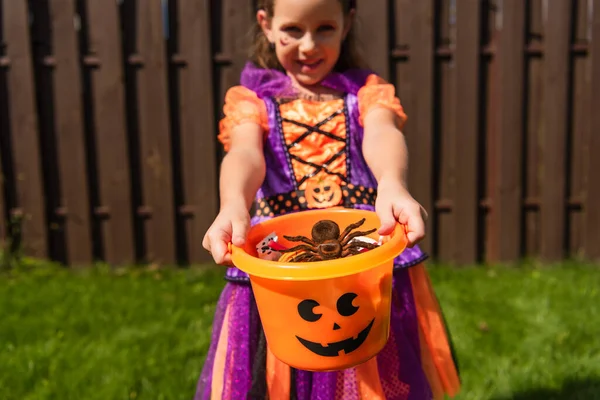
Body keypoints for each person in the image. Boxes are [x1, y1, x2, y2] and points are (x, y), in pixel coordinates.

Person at [197, 0, 460, 398]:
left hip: (360, 267)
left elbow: (382, 132)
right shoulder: (252, 101)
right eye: (293, 30)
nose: (308, 45)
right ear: (266, 25)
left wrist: (391, 181)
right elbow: (244, 152)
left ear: (347, 23)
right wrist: (233, 201)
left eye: (324, 29)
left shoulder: (366, 93)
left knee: (370, 371)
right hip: (283, 271)